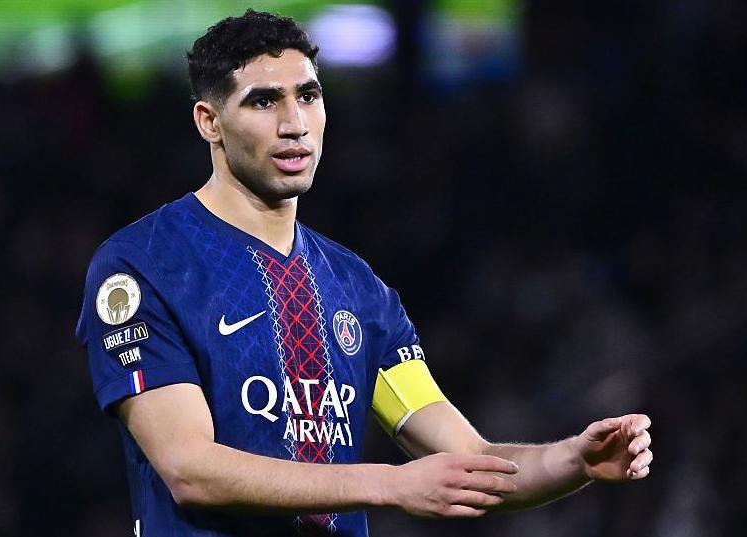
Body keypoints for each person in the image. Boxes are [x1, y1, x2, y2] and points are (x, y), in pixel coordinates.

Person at [76, 9, 653, 537]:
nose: (294, 123)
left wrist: (573, 461)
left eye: (308, 96)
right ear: (210, 122)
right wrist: (391, 484)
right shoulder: (143, 264)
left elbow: (469, 459)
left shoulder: (358, 290)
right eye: (263, 101)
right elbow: (190, 468)